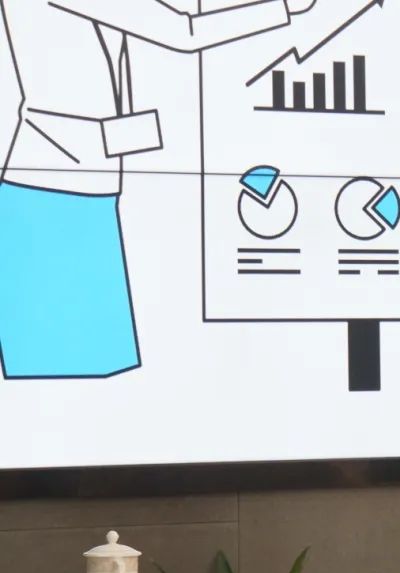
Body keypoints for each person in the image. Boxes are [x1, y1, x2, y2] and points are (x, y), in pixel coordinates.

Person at [0, 0, 316, 379]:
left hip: (79, 185)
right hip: (53, 193)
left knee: (92, 371)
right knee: (66, 370)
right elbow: (183, 32)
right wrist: (283, 7)